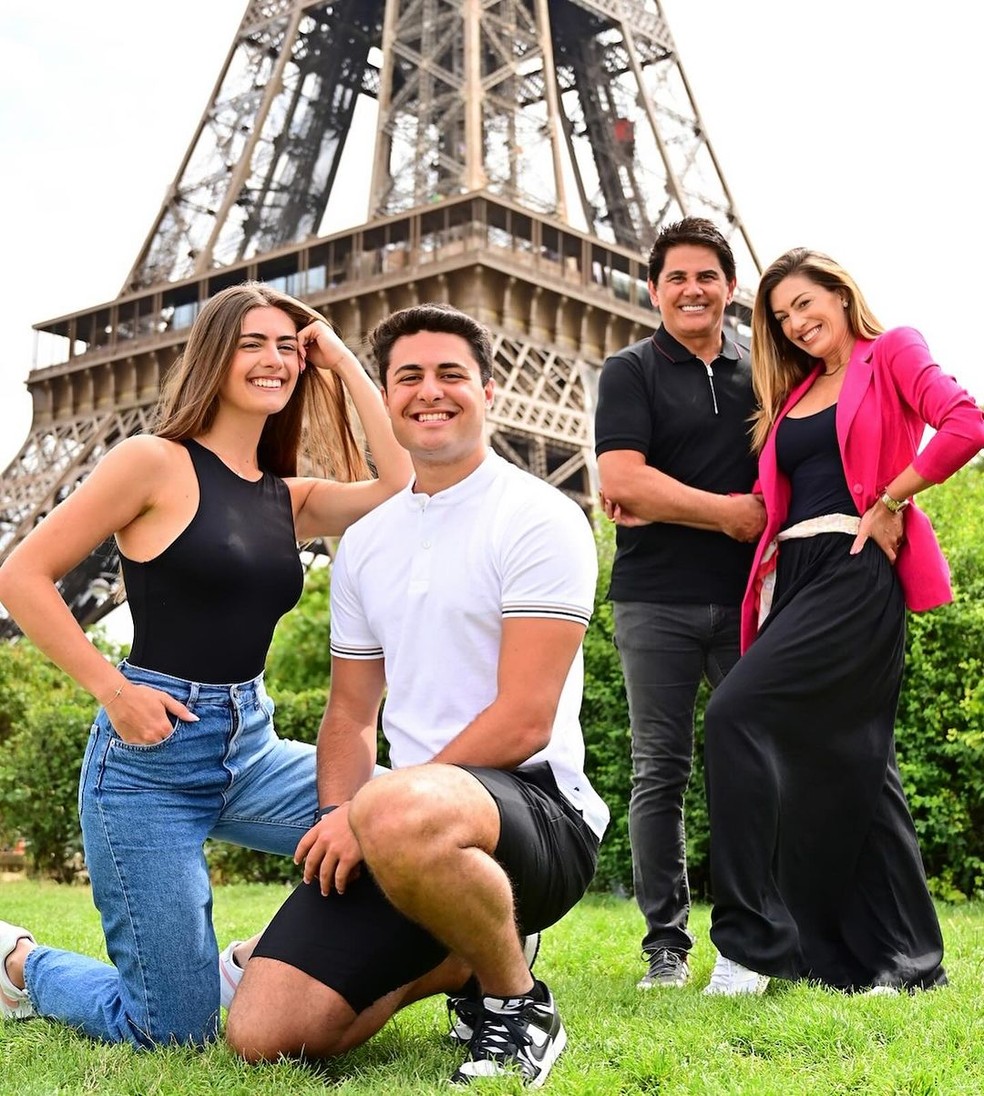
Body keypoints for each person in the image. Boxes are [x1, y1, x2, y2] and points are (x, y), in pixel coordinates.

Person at [0, 282, 412, 1045]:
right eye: (252, 343)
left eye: (286, 347)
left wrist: (341, 359)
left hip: (250, 746)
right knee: (173, 1034)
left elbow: (397, 481)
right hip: (148, 765)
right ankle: (21, 962)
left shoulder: (284, 496)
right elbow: (21, 575)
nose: (274, 359)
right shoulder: (151, 463)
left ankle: (246, 963)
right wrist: (113, 689)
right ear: (214, 357)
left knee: (407, 822)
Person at [224, 303, 609, 1088]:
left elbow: (526, 718)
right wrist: (340, 818)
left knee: (398, 806)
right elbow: (349, 715)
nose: (429, 393)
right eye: (409, 377)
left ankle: (516, 1002)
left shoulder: (540, 518)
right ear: (387, 396)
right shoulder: (367, 542)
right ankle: (461, 956)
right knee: (265, 1034)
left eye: (450, 375)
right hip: (400, 825)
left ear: (490, 391)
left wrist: (372, 812)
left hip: (536, 813)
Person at [701, 247, 984, 995]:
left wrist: (892, 498)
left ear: (839, 291)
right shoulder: (792, 399)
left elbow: (965, 422)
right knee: (854, 760)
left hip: (854, 573)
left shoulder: (892, 352)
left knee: (734, 713)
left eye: (804, 303)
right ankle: (895, 958)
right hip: (791, 578)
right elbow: (776, 503)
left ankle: (749, 944)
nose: (796, 323)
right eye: (782, 316)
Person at [593, 217, 765, 990]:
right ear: (655, 290)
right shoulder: (628, 371)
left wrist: (667, 497)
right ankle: (667, 942)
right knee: (658, 771)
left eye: (707, 276)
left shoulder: (766, 371)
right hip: (654, 601)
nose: (692, 290)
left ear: (730, 287)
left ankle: (752, 934)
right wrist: (728, 512)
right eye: (675, 278)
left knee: (754, 765)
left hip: (749, 599)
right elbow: (624, 482)